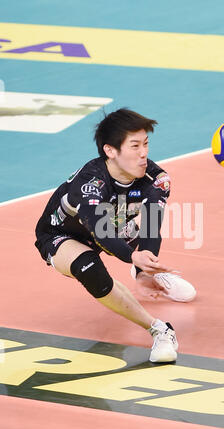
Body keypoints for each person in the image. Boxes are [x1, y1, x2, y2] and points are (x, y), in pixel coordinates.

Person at [34, 108, 196, 363]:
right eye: (134, 146)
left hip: (115, 221)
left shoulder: (157, 180)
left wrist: (145, 269)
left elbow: (152, 226)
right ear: (110, 150)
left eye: (145, 144)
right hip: (63, 233)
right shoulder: (90, 183)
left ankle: (148, 274)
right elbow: (101, 234)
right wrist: (133, 257)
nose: (143, 153)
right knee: (89, 268)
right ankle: (159, 329)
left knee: (137, 216)